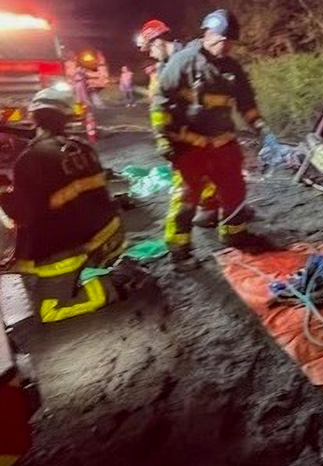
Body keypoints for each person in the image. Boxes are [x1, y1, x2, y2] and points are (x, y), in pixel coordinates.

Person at [0, 86, 151, 323]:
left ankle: (117, 281)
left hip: (72, 248)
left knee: (50, 309)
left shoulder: (29, 160)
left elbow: (22, 215)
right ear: (68, 118)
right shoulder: (81, 147)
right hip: (110, 235)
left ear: (33, 116)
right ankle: (110, 266)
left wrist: (3, 192)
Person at [151, 9, 272, 267]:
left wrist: (260, 126)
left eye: (230, 42)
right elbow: (161, 101)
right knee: (186, 197)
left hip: (222, 144)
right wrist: (163, 138)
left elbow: (246, 102)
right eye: (221, 40)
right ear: (208, 34)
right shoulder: (183, 61)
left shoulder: (231, 67)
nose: (226, 46)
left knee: (234, 189)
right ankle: (179, 250)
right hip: (189, 144)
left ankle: (234, 234)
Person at [137, 19, 219, 229]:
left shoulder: (191, 53)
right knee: (184, 182)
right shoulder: (161, 73)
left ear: (158, 41)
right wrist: (163, 138)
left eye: (150, 49)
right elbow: (158, 109)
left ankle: (209, 210)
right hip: (182, 136)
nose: (151, 54)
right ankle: (178, 237)